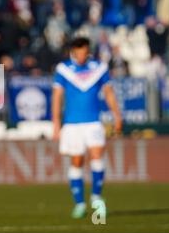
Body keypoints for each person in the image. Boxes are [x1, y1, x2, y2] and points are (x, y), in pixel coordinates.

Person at [52, 37, 122, 219]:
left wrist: (117, 116)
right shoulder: (64, 69)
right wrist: (56, 123)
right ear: (74, 51)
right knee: (77, 161)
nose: (82, 54)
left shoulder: (99, 68)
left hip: (93, 122)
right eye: (79, 51)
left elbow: (109, 92)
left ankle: (96, 196)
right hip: (72, 123)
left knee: (97, 156)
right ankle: (79, 203)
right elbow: (57, 96)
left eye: (85, 50)